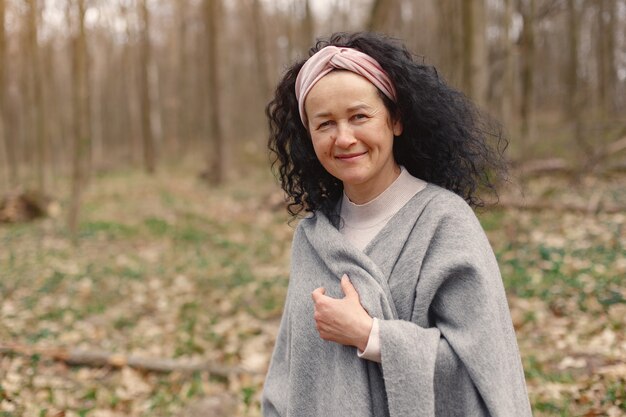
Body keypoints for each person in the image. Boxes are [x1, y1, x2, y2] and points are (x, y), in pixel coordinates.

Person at [262, 32, 532, 417]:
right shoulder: (313, 237)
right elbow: (290, 376)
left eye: (359, 116)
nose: (344, 138)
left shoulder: (444, 222)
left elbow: (485, 374)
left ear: (396, 120)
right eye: (325, 124)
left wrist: (370, 336)